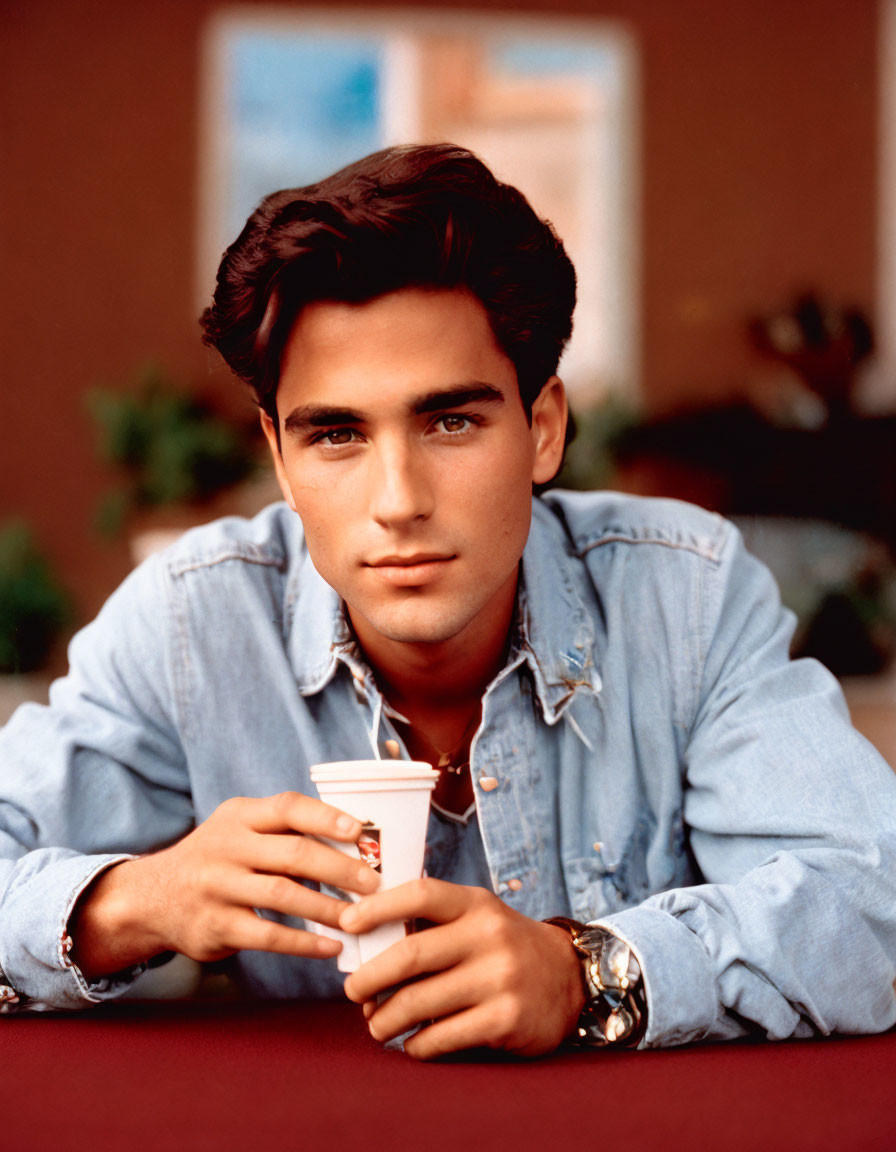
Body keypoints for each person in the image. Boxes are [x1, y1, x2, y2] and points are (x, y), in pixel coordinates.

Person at [1, 144, 895, 1058]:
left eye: (451, 421)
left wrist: (590, 973)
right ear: (280, 459)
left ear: (542, 430)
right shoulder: (195, 622)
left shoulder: (685, 594)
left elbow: (873, 902)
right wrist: (124, 903)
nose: (398, 500)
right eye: (337, 434)